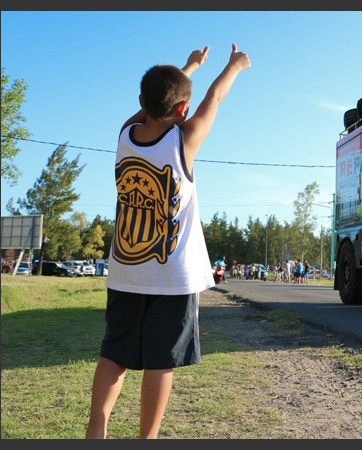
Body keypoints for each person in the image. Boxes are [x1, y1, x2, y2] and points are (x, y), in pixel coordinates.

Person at [86, 44, 251, 439]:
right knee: (162, 361)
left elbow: (160, 101)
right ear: (182, 111)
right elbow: (214, 97)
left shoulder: (125, 134)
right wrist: (235, 66)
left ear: (140, 101)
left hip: (125, 270)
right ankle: (148, 438)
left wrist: (190, 65)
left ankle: (96, 427)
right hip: (172, 275)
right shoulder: (184, 140)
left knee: (114, 353)